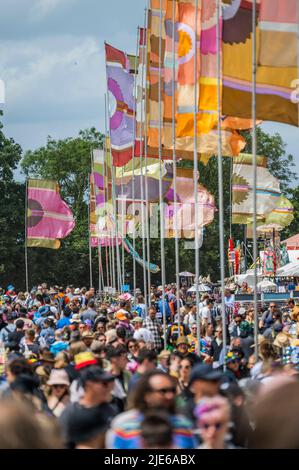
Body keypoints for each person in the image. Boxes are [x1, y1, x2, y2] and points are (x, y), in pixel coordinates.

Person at [106, 370, 196, 449]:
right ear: (146, 394)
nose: (170, 396)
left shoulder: (184, 425)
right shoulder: (123, 425)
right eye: (163, 391)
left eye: (172, 390)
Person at [60, 366, 116, 448]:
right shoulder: (71, 413)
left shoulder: (111, 411)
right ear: (89, 385)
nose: (108, 388)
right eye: (104, 384)